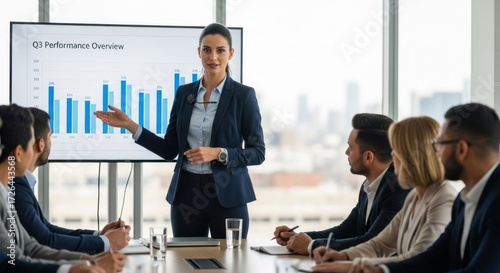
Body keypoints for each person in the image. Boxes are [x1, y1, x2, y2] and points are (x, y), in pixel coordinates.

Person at [95, 22, 265, 238]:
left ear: (230, 53)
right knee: (185, 263)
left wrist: (218, 153)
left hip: (228, 194)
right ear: (199, 52)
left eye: (220, 50)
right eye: (207, 50)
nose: (213, 57)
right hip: (186, 194)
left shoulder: (243, 96)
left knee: (231, 264)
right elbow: (169, 149)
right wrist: (130, 125)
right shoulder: (184, 93)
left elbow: (258, 153)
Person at [346, 103, 500, 273]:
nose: (436, 152)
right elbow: (431, 258)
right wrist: (380, 270)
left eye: (440, 144)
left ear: (461, 149)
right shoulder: (463, 200)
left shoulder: (486, 201)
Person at [312, 116, 458, 272]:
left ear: (411, 156)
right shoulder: (414, 197)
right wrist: (343, 256)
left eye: (395, 150)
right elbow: (380, 244)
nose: (392, 156)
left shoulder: (444, 199)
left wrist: (353, 266)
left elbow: (419, 258)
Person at [0, 104, 126, 272]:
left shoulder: (6, 192)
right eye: (31, 144)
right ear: (18, 153)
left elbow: (31, 247)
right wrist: (73, 269)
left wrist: (89, 260)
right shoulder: (12, 190)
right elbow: (11, 263)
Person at [274, 113, 410, 255]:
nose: (346, 153)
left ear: (368, 157)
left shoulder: (398, 189)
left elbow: (371, 242)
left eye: (351, 148)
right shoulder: (369, 185)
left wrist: (311, 246)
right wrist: (298, 238)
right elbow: (346, 230)